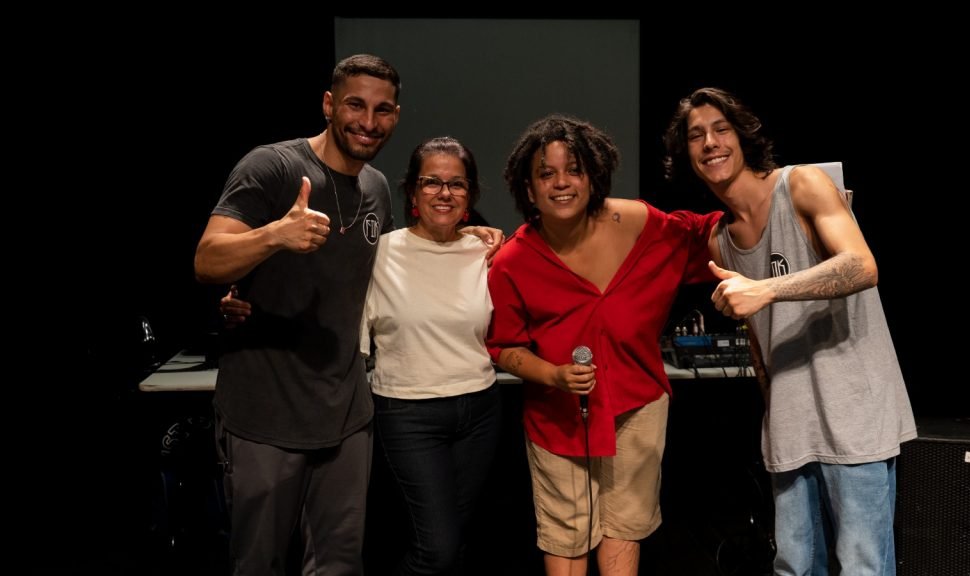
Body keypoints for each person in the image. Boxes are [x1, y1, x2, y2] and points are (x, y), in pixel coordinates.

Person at [662, 87, 917, 576]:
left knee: (863, 565)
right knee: (794, 566)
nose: (710, 143)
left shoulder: (802, 184)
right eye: (696, 136)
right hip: (790, 422)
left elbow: (862, 266)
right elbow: (761, 341)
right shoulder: (722, 237)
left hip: (855, 412)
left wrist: (768, 289)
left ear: (742, 136)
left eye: (720, 129)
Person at [193, 53, 403, 575]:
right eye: (355, 104)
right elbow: (206, 260)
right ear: (329, 104)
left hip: (346, 412)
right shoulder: (274, 166)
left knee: (338, 565)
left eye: (383, 109)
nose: (368, 121)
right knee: (259, 562)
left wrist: (471, 238)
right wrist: (274, 236)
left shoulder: (376, 187)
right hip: (265, 411)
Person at [486, 114, 722, 576]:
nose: (561, 183)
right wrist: (552, 375)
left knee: (624, 529)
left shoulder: (639, 223)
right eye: (546, 173)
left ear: (593, 176)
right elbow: (504, 347)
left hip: (638, 403)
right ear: (528, 190)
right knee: (566, 532)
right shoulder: (513, 260)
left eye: (573, 169)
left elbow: (707, 236)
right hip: (558, 417)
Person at [358, 136, 501, 575]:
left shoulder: (490, 253)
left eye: (457, 184)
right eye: (431, 182)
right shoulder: (379, 253)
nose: (444, 193)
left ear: (471, 195)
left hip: (479, 410)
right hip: (408, 414)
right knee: (436, 549)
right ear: (413, 193)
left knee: (456, 545)